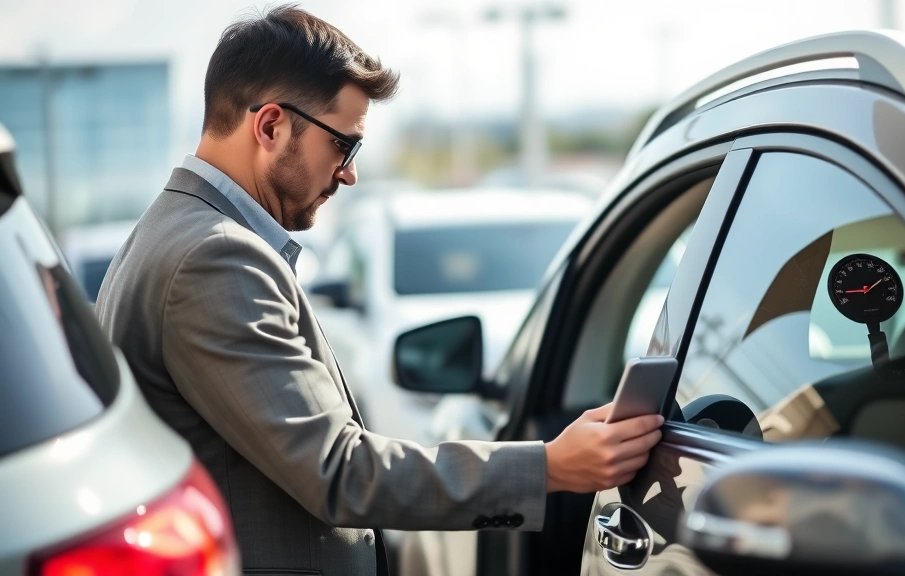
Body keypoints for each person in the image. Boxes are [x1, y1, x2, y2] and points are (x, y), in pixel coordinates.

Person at [95, 5, 663, 575]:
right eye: (345, 145)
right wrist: (551, 467)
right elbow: (339, 471)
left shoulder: (174, 231)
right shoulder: (214, 257)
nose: (349, 174)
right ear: (269, 126)